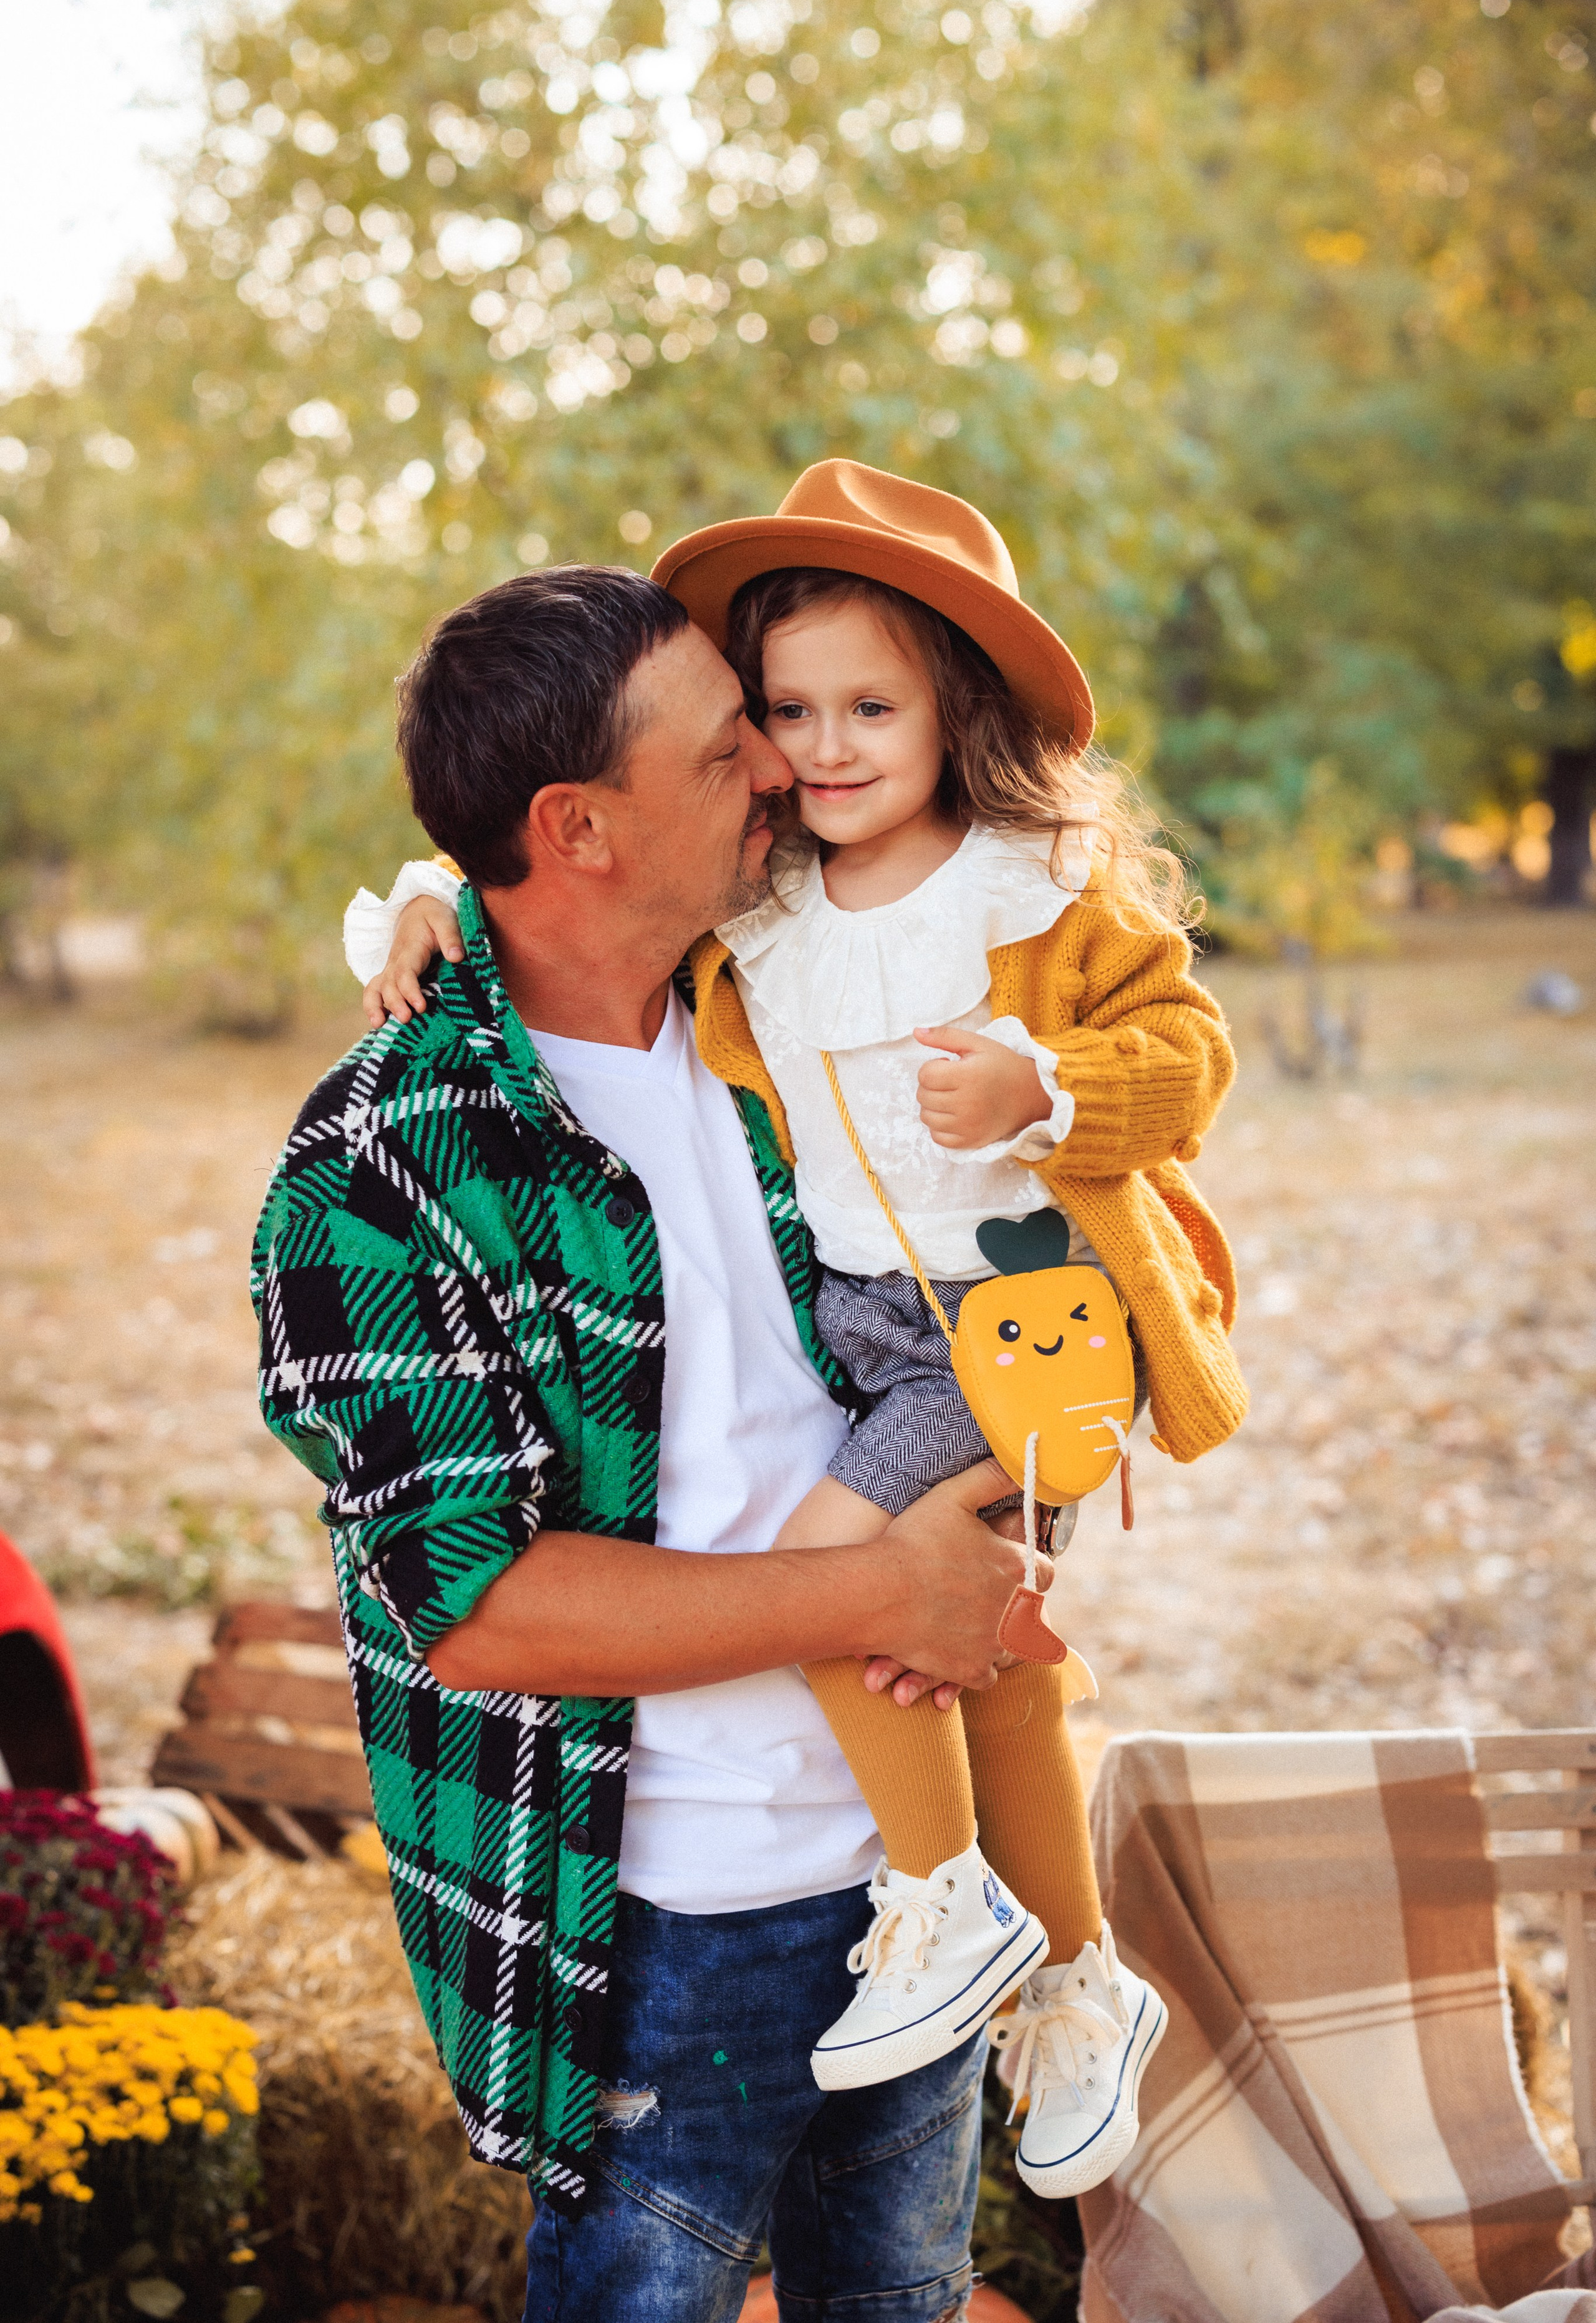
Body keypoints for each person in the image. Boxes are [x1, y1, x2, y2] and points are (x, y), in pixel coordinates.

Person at [351, 460, 1248, 2201]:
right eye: (772, 717)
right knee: (944, 1631)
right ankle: (1054, 1962)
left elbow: (1185, 1057)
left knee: (856, 1581)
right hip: (863, 1382)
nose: (808, 753)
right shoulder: (754, 928)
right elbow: (545, 861)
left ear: (953, 709)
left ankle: (960, 1915)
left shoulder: (1029, 892)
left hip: (1023, 1324)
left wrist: (1049, 1089)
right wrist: (419, 891)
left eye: (865, 709)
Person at [254, 559, 1058, 2323]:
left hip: (911, 1877)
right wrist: (877, 1596)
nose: (780, 764)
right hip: (659, 1934)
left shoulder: (787, 1020)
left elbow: (976, 1297)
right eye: (725, 750)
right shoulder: (385, 1165)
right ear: (581, 828)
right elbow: (468, 1604)